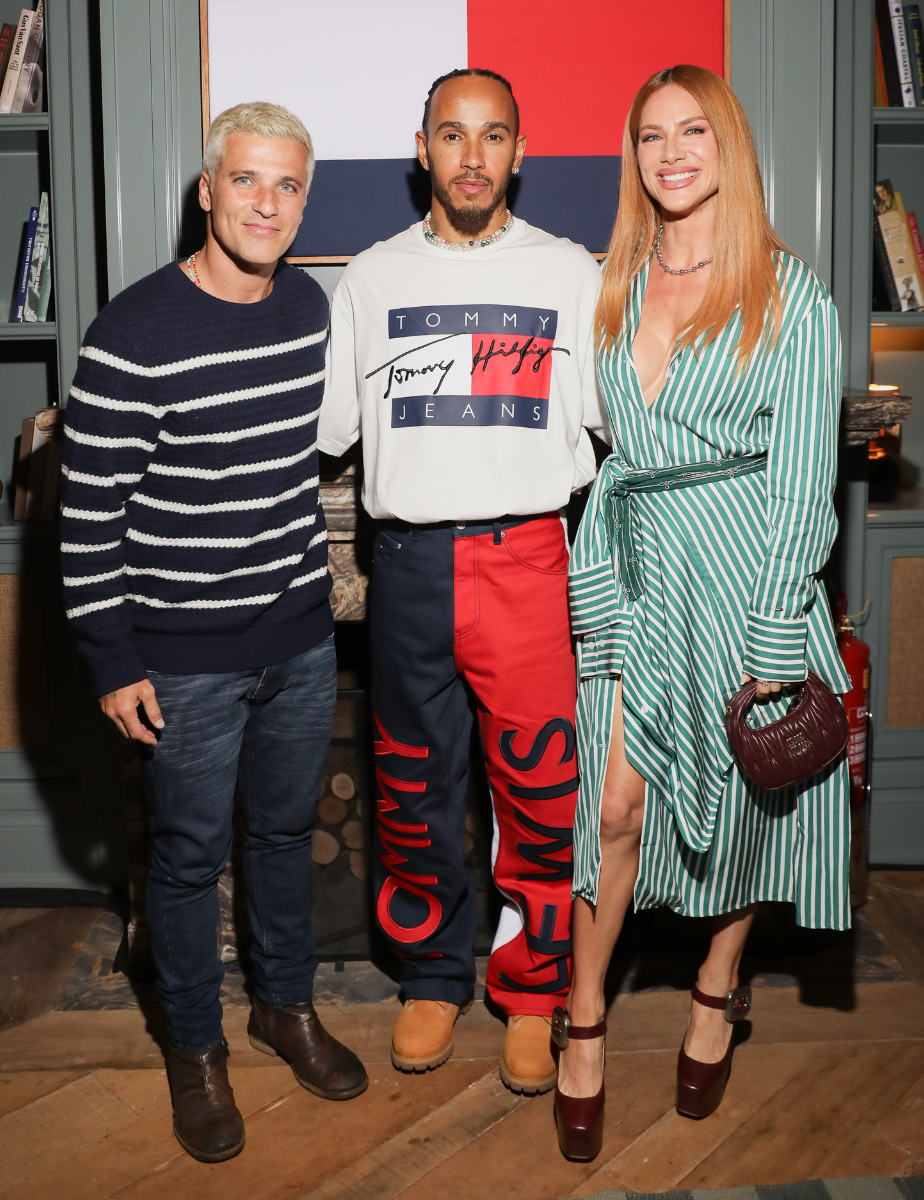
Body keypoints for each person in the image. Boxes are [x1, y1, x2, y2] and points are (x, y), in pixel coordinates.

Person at [553, 65, 852, 1162]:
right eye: (649, 136)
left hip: (744, 578)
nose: (670, 152)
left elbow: (804, 480)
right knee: (616, 809)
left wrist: (778, 628)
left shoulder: (792, 295)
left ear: (728, 146)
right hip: (636, 571)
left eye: (692, 131)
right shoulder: (612, 286)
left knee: (743, 804)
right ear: (632, 159)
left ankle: (715, 992)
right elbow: (605, 456)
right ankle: (582, 1015)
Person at [59, 101, 367, 1164]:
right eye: (246, 181)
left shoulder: (308, 311)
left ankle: (284, 1009)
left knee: (282, 839)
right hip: (181, 660)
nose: (267, 204)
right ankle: (195, 1052)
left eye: (287, 186)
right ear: (207, 189)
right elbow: (87, 509)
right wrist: (112, 659)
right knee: (189, 861)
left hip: (295, 634)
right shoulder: (132, 330)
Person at [318, 68, 609, 1096]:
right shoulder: (370, 278)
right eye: (453, 135)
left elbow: (612, 426)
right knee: (412, 785)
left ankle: (529, 993)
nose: (473, 155)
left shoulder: (572, 273)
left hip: (528, 555)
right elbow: (325, 434)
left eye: (493, 136)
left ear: (518, 153)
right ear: (422, 150)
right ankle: (433, 976)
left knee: (536, 788)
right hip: (406, 567)